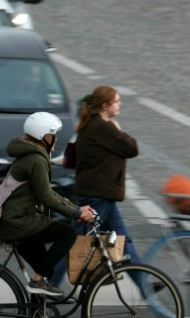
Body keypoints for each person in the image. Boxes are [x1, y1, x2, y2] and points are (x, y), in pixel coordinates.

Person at [0, 112, 94, 318]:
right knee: (67, 233)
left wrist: (75, 208)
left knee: (44, 267)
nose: (56, 140)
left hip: (18, 220)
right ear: (44, 136)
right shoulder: (36, 158)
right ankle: (38, 281)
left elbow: (47, 194)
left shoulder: (31, 154)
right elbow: (47, 196)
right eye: (53, 135)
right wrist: (76, 213)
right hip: (20, 222)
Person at [50, 85, 144, 289]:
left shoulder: (93, 124)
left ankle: (144, 285)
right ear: (105, 105)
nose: (119, 104)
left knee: (123, 240)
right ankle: (47, 282)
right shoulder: (103, 127)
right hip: (96, 196)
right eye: (117, 101)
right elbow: (131, 148)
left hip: (102, 194)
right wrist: (119, 129)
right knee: (77, 241)